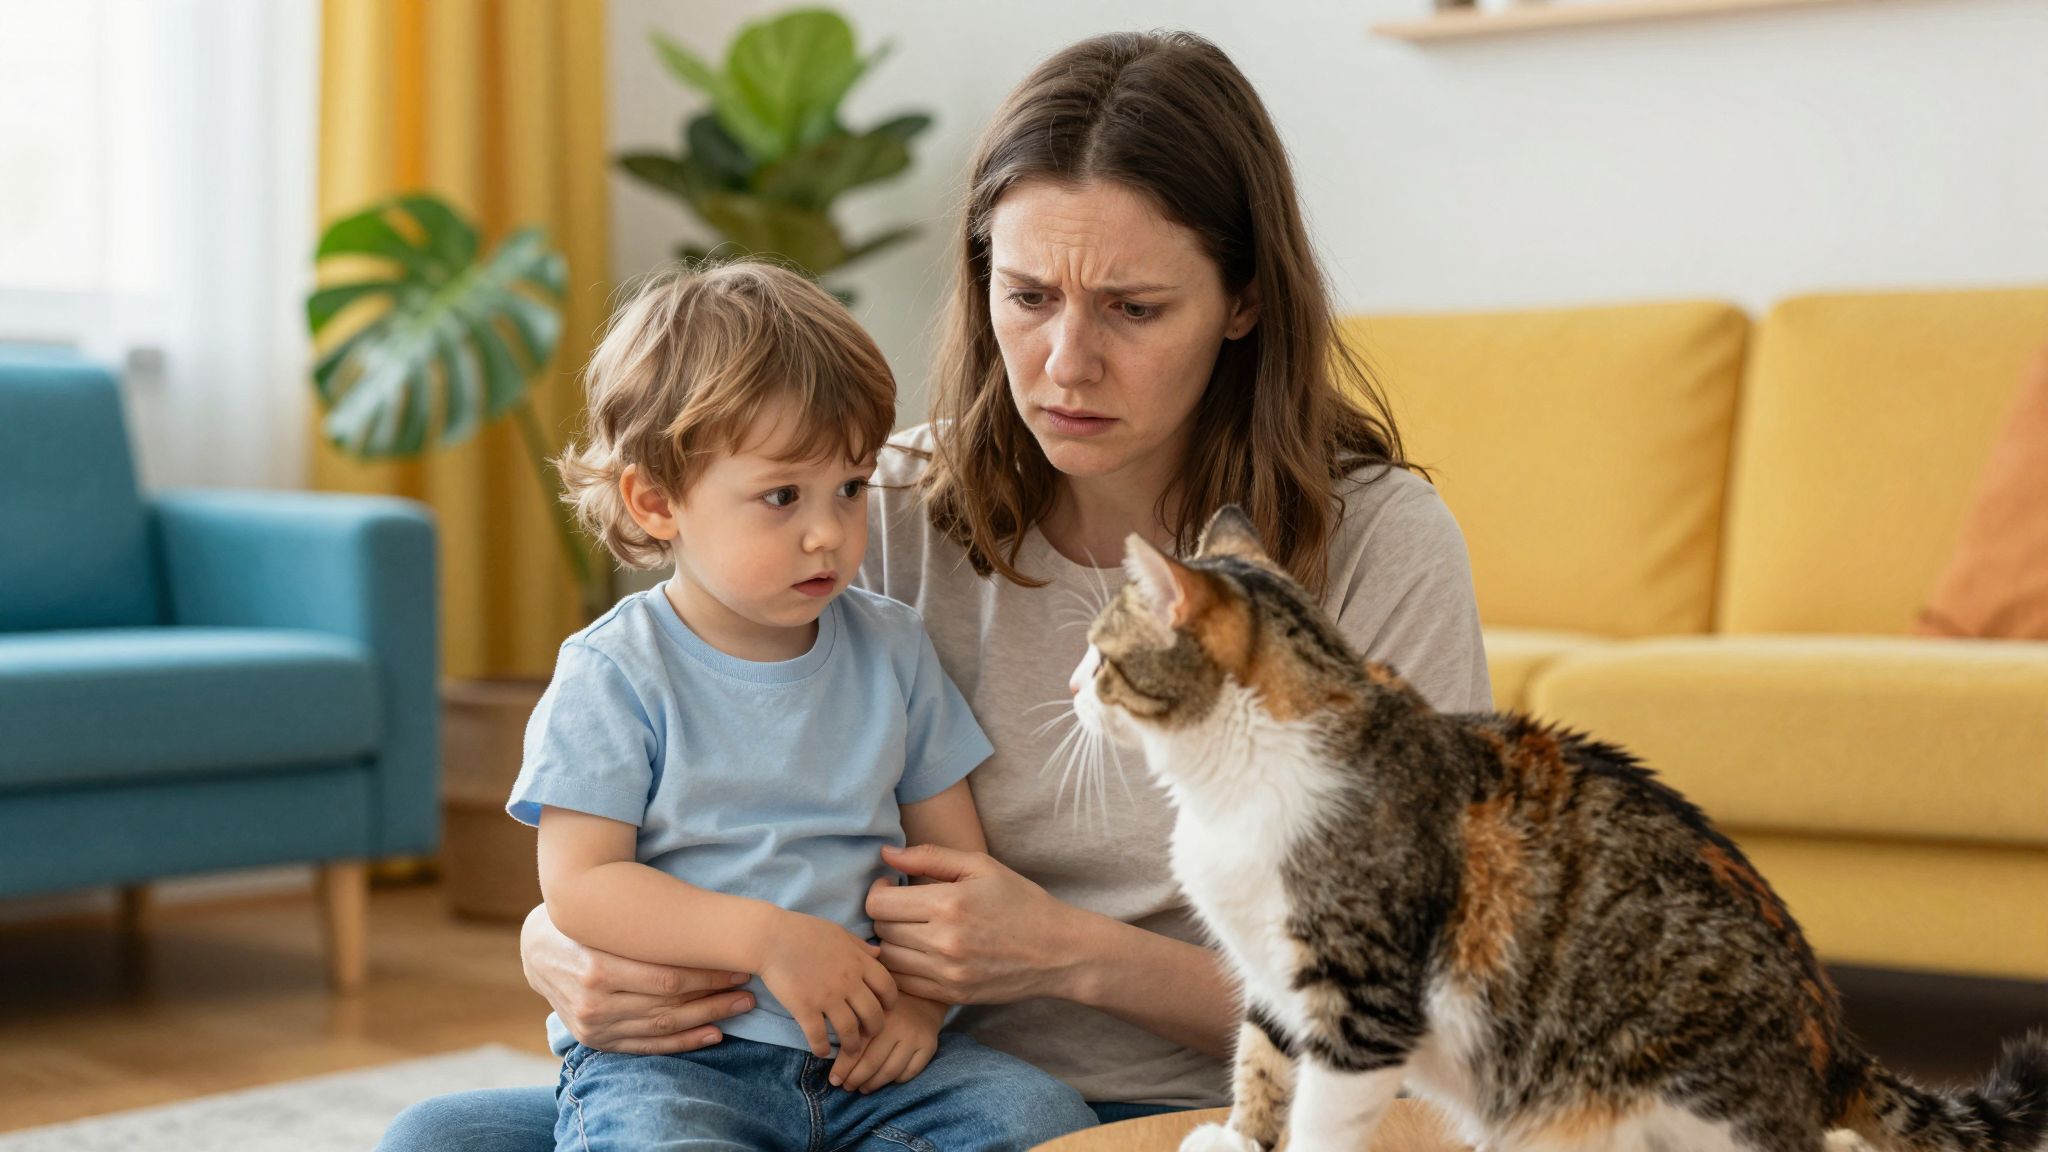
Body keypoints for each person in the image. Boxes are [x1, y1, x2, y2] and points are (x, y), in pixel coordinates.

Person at [378, 29, 1490, 1152]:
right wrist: (559, 947)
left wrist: (1069, 956)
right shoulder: (881, 505)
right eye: (1028, 295)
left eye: (1133, 309)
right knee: (436, 1140)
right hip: (844, 1071)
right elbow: (664, 826)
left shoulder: (1374, 542)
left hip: (1156, 1103)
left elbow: (1426, 1001)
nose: (1064, 362)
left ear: (1243, 302)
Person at [504, 261, 1099, 1151]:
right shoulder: (612, 673)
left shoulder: (893, 648)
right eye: (782, 496)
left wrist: (922, 1006)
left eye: (850, 488)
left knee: (1040, 1121)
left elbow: (952, 868)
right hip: (679, 1061)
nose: (828, 532)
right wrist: (768, 939)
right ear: (656, 501)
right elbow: (581, 886)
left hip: (870, 1059)